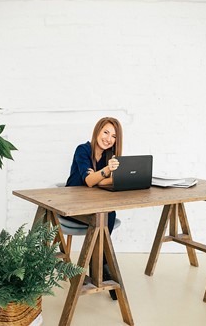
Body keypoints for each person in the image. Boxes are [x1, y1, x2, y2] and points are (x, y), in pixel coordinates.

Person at [65, 116, 123, 300]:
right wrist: (105, 172)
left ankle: (99, 262)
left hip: (93, 205)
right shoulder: (83, 150)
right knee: (104, 216)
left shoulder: (109, 156)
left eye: (113, 136)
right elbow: (90, 181)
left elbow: (103, 181)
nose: (108, 138)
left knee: (110, 213)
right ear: (97, 130)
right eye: (105, 132)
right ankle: (103, 266)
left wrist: (101, 176)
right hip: (72, 205)